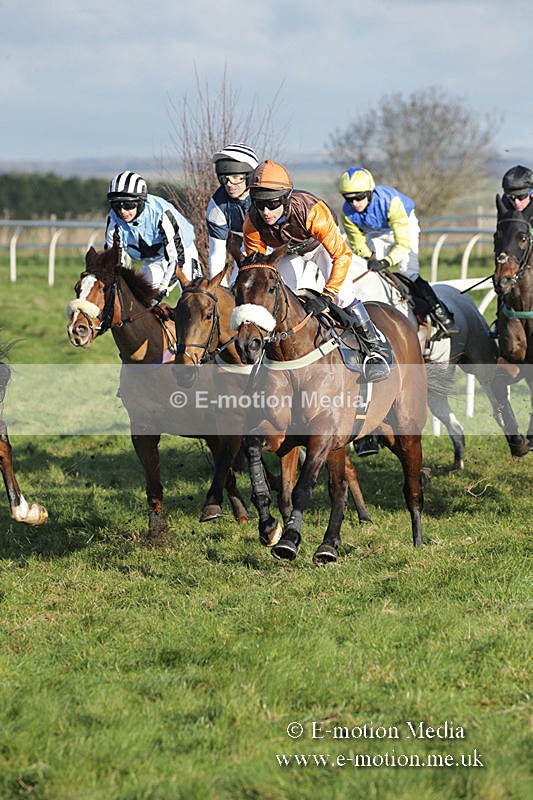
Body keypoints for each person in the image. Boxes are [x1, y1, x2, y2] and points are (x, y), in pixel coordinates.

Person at [242, 160, 392, 382]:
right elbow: (257, 269)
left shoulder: (313, 211)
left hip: (321, 248)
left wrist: (326, 296)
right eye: (259, 204)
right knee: (280, 300)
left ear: (285, 198)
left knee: (343, 295)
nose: (266, 212)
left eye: (272, 204)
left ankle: (374, 348)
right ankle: (269, 353)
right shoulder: (252, 221)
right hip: (287, 252)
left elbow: (341, 255)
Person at [339, 167, 459, 337]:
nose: (355, 203)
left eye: (359, 197)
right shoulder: (347, 213)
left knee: (408, 272)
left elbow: (403, 243)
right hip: (377, 233)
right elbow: (357, 242)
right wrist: (369, 256)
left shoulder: (390, 201)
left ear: (369, 193)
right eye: (348, 199)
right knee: (371, 273)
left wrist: (387, 261)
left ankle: (442, 315)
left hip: (404, 225)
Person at [105, 171, 201, 302]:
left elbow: (177, 259)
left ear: (140, 202)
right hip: (153, 259)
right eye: (116, 205)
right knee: (144, 302)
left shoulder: (161, 213)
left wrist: (164, 287)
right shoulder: (114, 219)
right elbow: (113, 261)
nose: (122, 211)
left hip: (182, 252)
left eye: (128, 205)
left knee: (194, 298)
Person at [206, 143, 259, 283]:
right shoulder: (217, 205)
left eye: (235, 177)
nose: (229, 184)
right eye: (225, 178)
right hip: (247, 248)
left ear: (250, 176)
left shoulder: (264, 197)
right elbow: (216, 254)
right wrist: (219, 289)